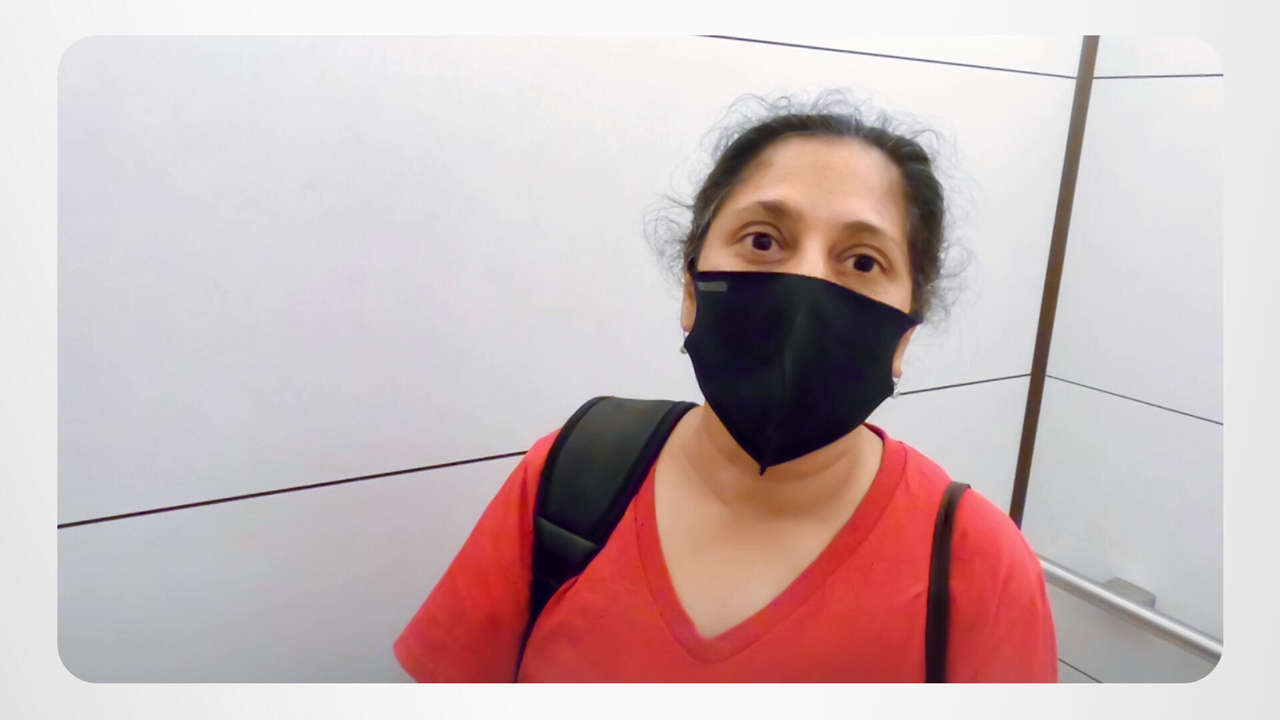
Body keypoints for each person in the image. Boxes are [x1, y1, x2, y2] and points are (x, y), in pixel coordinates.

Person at [393, 92, 1058, 682]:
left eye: (862, 260)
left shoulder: (980, 569)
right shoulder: (567, 480)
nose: (806, 285)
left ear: (904, 337)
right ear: (691, 292)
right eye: (763, 240)